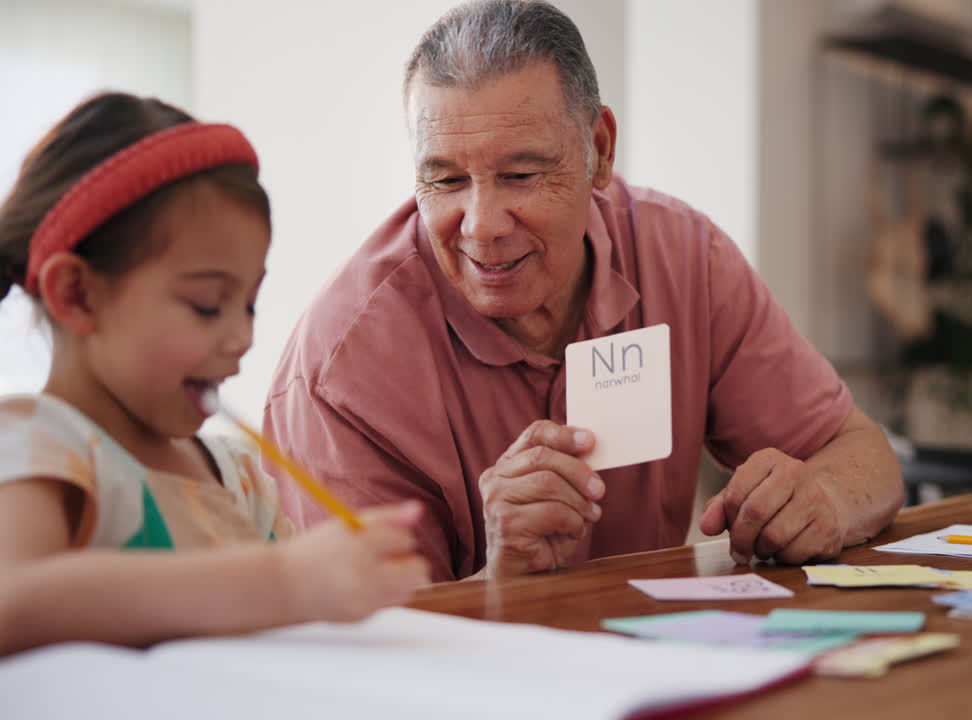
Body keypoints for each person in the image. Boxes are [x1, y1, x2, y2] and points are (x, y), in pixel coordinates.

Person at [265, 0, 903, 583]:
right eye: (446, 181)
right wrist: (499, 577)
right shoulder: (340, 370)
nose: (481, 226)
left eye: (521, 174)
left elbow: (862, 455)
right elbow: (361, 655)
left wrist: (826, 498)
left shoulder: (683, 257)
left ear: (598, 150)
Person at [0, 92, 427, 657]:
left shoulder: (238, 478)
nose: (242, 338)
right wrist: (282, 582)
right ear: (76, 294)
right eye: (207, 305)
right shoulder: (39, 447)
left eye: (248, 305)